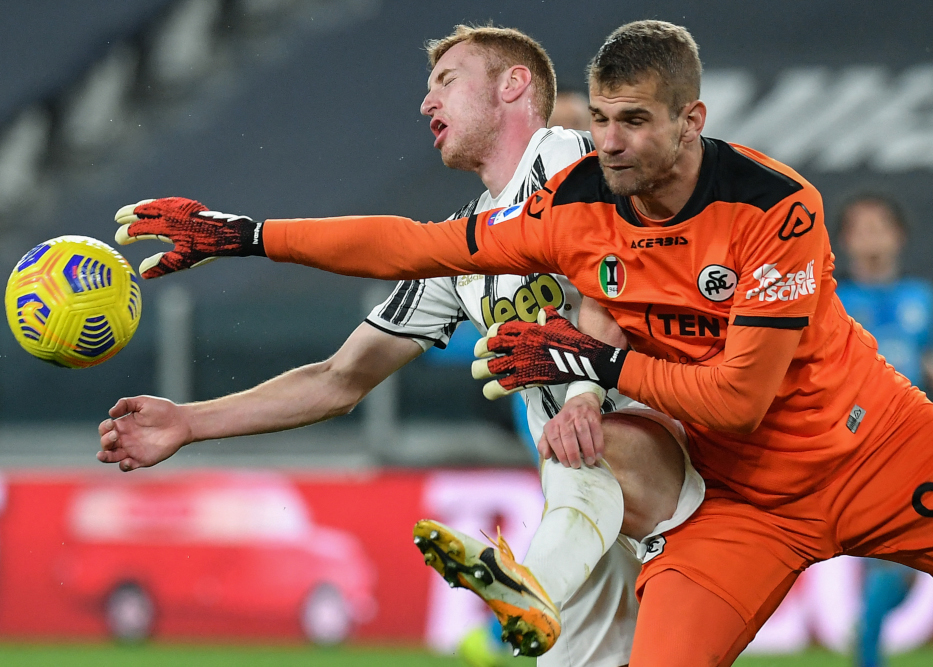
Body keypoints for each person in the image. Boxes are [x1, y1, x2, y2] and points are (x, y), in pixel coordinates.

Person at [107, 19, 933, 667]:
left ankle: (536, 574)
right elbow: (375, 313)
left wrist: (584, 372)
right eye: (605, 120)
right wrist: (248, 239)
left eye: (446, 78)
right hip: (724, 504)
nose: (611, 142)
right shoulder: (547, 212)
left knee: (584, 424)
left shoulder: (694, 188)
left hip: (856, 448)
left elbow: (718, 383)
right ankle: (534, 582)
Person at [99, 24, 705, 666]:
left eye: (446, 80)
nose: (426, 104)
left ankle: (533, 588)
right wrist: (189, 421)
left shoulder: (565, 156)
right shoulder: (461, 248)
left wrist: (582, 391)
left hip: (671, 446)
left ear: (514, 84)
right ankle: (533, 591)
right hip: (589, 502)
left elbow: (607, 282)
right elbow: (338, 379)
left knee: (587, 447)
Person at [836, 193, 933, 667]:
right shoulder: (835, 300)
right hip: (861, 444)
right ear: (846, 240)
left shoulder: (919, 297)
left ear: (898, 237)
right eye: (860, 227)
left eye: (880, 226)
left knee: (910, 569)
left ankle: (866, 626)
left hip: (914, 440)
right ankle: (868, 652)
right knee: (891, 556)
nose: (871, 235)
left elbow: (921, 351)